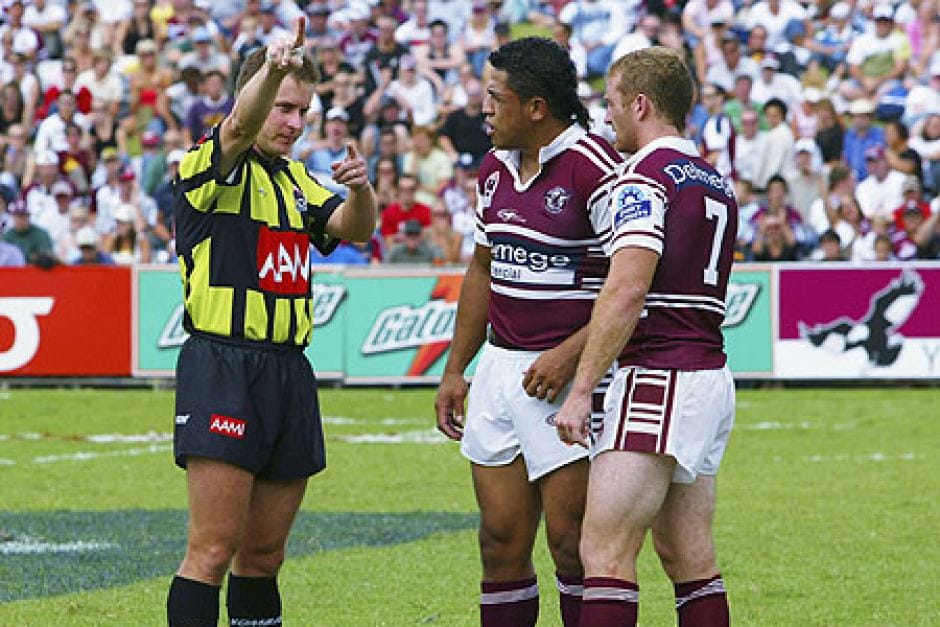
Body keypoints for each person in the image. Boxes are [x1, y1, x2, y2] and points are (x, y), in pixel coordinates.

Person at [166, 19, 376, 627]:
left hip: (288, 373)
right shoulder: (208, 167)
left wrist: (362, 191)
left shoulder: (301, 182)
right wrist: (274, 69)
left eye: (302, 111)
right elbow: (235, 127)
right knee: (211, 550)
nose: (294, 121)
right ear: (256, 96)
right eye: (283, 106)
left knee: (263, 555)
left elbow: (355, 229)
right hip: (223, 367)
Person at [434, 37, 621, 627]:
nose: (484, 108)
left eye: (495, 97)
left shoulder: (595, 165)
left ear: (536, 107)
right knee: (499, 542)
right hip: (500, 371)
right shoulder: (493, 168)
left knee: (571, 545)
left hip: (568, 380)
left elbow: (632, 284)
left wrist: (571, 357)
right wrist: (455, 368)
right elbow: (483, 268)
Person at [554, 47, 736, 626]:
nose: (605, 118)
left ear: (640, 104)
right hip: (709, 376)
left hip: (659, 374)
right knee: (688, 555)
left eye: (610, 104)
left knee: (603, 551)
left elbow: (628, 288)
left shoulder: (643, 177)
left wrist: (581, 389)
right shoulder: (713, 178)